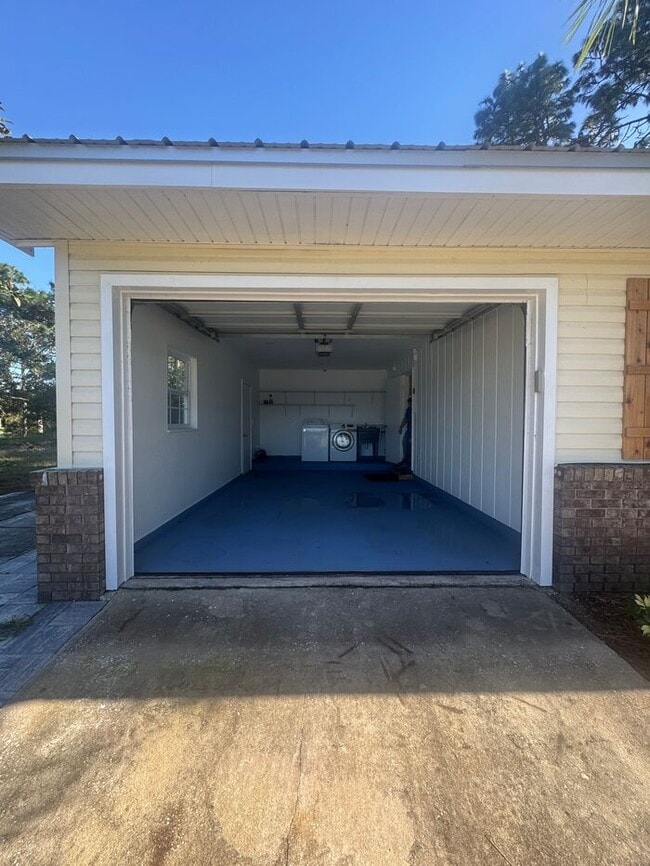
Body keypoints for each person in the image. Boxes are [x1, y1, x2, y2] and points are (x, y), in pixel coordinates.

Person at [398, 396, 412, 469]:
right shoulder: (409, 410)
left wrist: (401, 427)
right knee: (405, 443)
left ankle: (408, 462)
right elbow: (405, 419)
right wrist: (401, 427)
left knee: (407, 445)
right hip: (409, 430)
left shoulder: (412, 409)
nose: (409, 404)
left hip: (413, 430)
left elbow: (405, 419)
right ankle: (406, 461)